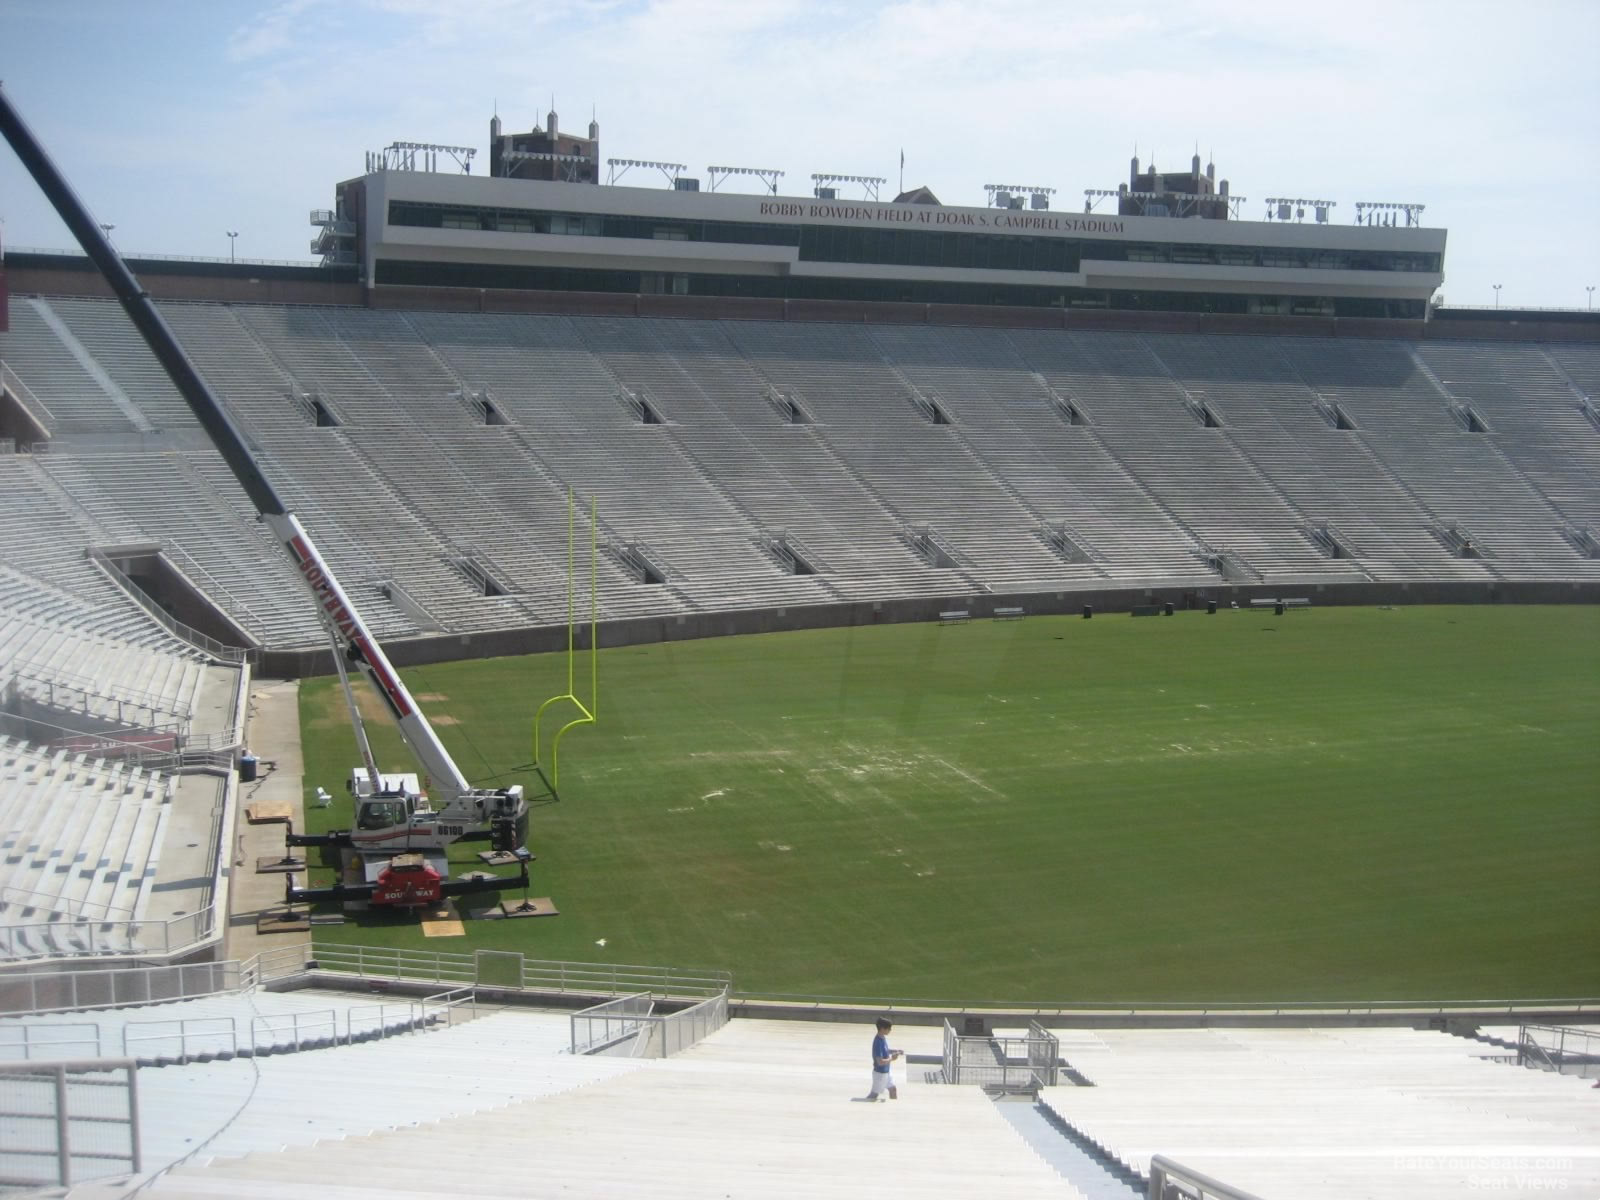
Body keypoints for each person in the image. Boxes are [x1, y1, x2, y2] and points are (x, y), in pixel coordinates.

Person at [866, 1017, 902, 1101]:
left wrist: (895, 1051)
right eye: (889, 1028)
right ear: (882, 1029)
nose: (890, 1030)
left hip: (886, 1072)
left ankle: (894, 1110)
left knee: (893, 1089)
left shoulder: (882, 1038)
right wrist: (892, 1059)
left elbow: (885, 1050)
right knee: (874, 1095)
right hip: (880, 1074)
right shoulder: (878, 1042)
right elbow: (880, 1062)